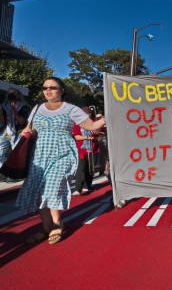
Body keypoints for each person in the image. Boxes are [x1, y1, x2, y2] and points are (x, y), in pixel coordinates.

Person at [16, 77, 106, 245]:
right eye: (45, 88)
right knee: (39, 192)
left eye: (53, 87)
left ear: (62, 90)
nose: (48, 90)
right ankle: (46, 228)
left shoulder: (71, 109)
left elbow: (91, 126)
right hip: (40, 155)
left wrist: (109, 117)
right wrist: (24, 132)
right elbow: (30, 128)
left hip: (63, 153)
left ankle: (57, 225)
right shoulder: (37, 108)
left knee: (53, 186)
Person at [0, 88, 31, 181]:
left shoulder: (24, 106)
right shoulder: (4, 105)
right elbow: (2, 121)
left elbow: (21, 122)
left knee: (16, 153)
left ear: (18, 95)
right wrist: (1, 111)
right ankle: (3, 172)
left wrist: (13, 110)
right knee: (0, 152)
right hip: (6, 132)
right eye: (9, 93)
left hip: (18, 132)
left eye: (13, 93)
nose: (11, 95)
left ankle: (15, 175)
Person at [72, 106, 102, 196]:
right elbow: (76, 136)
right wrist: (87, 137)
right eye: (86, 114)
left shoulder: (94, 122)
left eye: (89, 114)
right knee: (81, 169)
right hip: (82, 149)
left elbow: (100, 133)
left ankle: (88, 185)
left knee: (91, 169)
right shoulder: (77, 123)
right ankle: (78, 188)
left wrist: (98, 133)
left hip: (93, 149)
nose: (88, 116)